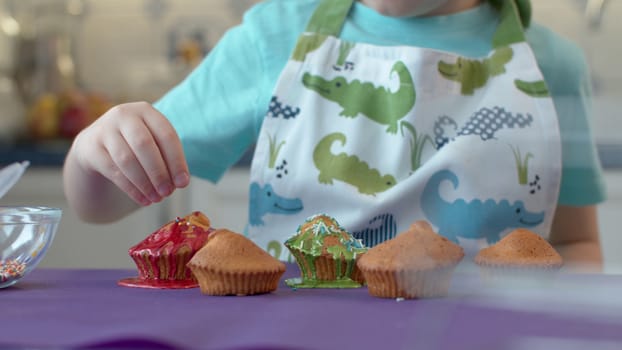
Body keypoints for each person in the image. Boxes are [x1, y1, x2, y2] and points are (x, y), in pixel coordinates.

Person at [63, 0, 607, 270]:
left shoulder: (552, 64)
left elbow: (577, 243)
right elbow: (101, 204)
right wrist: (94, 154)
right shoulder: (271, 37)